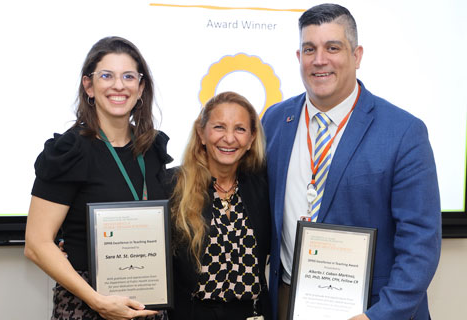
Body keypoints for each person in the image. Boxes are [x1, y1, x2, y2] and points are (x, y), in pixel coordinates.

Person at [261, 4, 441, 320]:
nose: (319, 60)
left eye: (333, 48)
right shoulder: (275, 121)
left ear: (356, 56)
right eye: (309, 49)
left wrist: (380, 315)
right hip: (288, 300)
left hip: (370, 309)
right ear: (298, 57)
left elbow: (421, 245)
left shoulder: (403, 132)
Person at [24, 36, 172, 320]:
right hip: (87, 306)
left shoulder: (152, 149)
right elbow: (36, 243)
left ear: (141, 88)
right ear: (89, 86)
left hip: (147, 307)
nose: (119, 85)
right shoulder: (69, 150)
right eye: (107, 75)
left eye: (129, 76)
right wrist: (98, 301)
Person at [167, 91, 272, 320]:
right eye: (219, 127)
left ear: (251, 139)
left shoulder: (264, 188)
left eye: (240, 129)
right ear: (201, 133)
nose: (229, 138)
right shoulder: (170, 186)